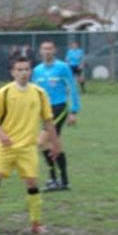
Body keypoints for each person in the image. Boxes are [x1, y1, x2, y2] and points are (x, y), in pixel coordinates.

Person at [0, 55, 59, 235]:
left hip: (28, 148)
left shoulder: (39, 93)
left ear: (30, 71)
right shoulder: (4, 92)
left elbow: (48, 121)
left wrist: (55, 144)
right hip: (5, 147)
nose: (23, 73)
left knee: (32, 182)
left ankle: (36, 223)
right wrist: (2, 135)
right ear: (12, 72)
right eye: (19, 70)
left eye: (26, 69)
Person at [32, 40, 81, 191]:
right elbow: (34, 92)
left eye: (50, 48)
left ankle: (55, 178)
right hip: (44, 111)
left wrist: (73, 111)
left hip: (59, 108)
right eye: (44, 48)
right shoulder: (37, 70)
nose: (47, 51)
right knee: (53, 144)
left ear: (54, 51)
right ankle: (62, 180)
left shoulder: (62, 67)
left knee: (42, 142)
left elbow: (72, 88)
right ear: (40, 51)